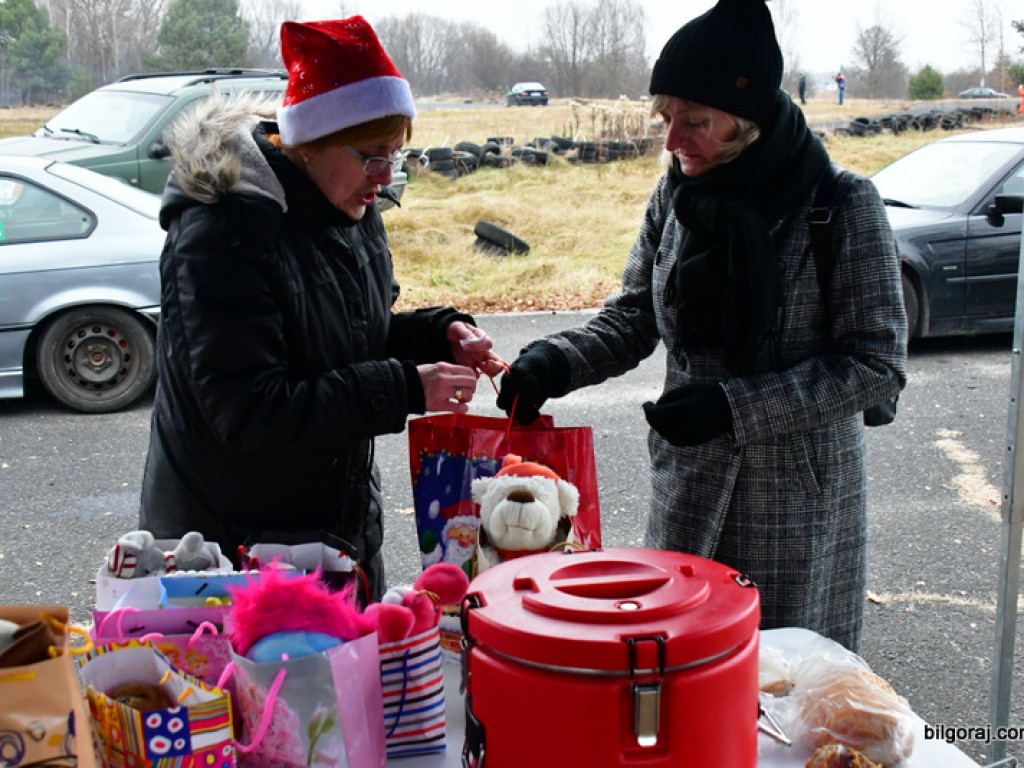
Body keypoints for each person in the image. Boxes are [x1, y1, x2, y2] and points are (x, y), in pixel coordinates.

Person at [495, 0, 906, 652]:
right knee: (680, 672)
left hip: (795, 509)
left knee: (781, 691)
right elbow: (635, 314)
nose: (672, 139)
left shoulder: (840, 205)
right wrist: (556, 360)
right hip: (688, 489)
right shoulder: (678, 193)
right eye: (667, 117)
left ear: (748, 121)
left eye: (695, 121)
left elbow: (875, 365)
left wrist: (732, 406)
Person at [138, 16, 500, 602]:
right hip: (236, 550)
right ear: (311, 140)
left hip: (335, 526)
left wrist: (437, 336)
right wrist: (405, 387)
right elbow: (249, 410)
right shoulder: (225, 231)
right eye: (372, 156)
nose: (384, 180)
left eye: (396, 157)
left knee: (356, 687)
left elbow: (349, 337)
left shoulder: (345, 203)